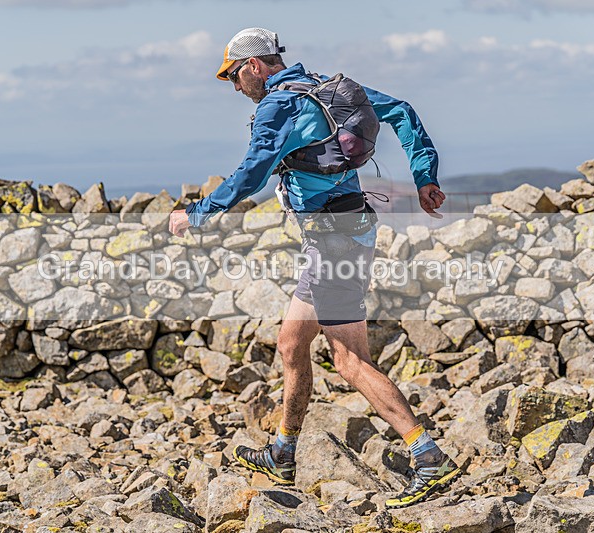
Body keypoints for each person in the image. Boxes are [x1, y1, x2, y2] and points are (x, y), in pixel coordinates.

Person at [168, 28, 460, 508]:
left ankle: (427, 456)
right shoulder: (326, 88)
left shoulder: (278, 104)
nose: (234, 86)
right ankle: (282, 452)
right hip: (342, 232)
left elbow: (253, 172)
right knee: (291, 342)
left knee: (349, 360)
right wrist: (424, 176)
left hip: (333, 244)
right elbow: (402, 111)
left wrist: (197, 212)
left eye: (233, 75)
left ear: (254, 65)